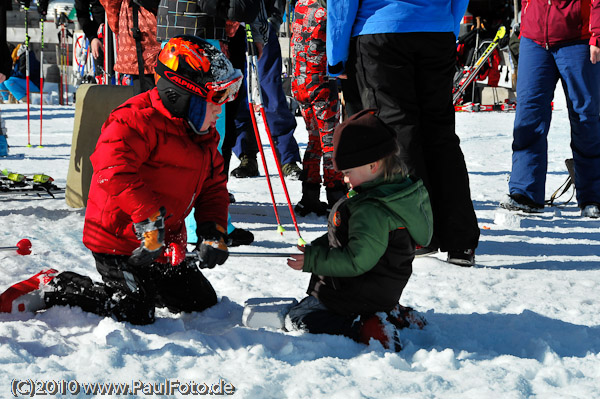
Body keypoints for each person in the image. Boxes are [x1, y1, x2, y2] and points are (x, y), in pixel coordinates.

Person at [31, 36, 242, 324]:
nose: (221, 107)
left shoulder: (202, 135)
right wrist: (148, 219)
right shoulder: (135, 120)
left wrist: (213, 230)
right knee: (134, 309)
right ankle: (62, 287)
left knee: (200, 302)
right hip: (118, 241)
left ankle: (145, 284)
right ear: (180, 96)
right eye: (216, 98)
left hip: (162, 243)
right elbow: (112, 169)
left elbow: (213, 186)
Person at [325, 0, 480, 266]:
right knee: (440, 134)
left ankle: (417, 233)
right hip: (436, 29)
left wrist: (336, 55)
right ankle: (459, 238)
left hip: (381, 30)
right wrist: (447, 26)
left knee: (396, 134)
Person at [286, 109, 433, 350]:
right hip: (381, 290)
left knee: (299, 317)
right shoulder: (397, 195)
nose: (344, 180)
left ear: (373, 166)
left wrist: (312, 260)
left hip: (351, 294)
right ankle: (391, 313)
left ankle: (365, 327)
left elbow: (356, 261)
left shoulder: (371, 209)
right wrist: (318, 248)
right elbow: (351, 238)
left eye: (347, 173)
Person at [500, 0, 600, 218]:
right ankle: (525, 192)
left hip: (578, 39)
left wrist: (597, 34)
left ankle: (593, 196)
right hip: (533, 39)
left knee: (586, 117)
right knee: (529, 116)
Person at [230, 0, 303, 179]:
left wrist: (273, 18)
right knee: (237, 94)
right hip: (230, 26)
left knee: (271, 94)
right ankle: (246, 155)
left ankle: (287, 158)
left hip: (261, 22)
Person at [291, 0, 346, 216]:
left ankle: (310, 195)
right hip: (321, 82)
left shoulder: (300, 5)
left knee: (314, 140)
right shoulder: (326, 8)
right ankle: (336, 194)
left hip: (300, 81)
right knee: (331, 141)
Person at [100, 0, 161, 93]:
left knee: (144, 95)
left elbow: (110, 3)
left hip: (136, 27)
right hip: (166, 29)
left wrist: (119, 26)